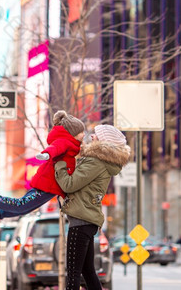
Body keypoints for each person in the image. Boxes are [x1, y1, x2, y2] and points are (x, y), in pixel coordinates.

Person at [0, 110, 85, 232]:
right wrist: (46, 154)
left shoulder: (74, 145)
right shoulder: (66, 142)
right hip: (48, 185)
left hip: (50, 186)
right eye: (81, 132)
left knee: (25, 209)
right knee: (21, 205)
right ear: (73, 133)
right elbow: (55, 148)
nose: (83, 134)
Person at [54, 124, 131, 290]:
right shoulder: (100, 161)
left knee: (73, 273)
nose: (91, 137)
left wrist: (59, 163)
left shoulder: (96, 161)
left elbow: (69, 184)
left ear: (104, 142)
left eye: (96, 135)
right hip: (86, 220)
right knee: (87, 271)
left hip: (81, 220)